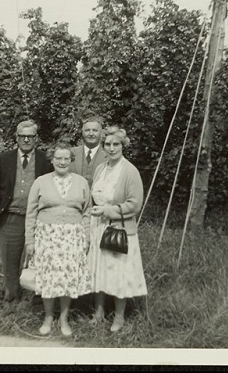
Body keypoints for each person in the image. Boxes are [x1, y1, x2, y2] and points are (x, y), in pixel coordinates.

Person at [25, 142, 92, 336]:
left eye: (66, 158)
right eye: (58, 158)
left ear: (71, 161)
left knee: (67, 277)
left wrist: (86, 237)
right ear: (52, 160)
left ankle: (63, 318)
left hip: (73, 236)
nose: (62, 162)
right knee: (48, 277)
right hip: (47, 236)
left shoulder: (81, 182)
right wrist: (30, 240)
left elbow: (86, 212)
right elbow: (31, 213)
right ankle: (48, 316)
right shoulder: (40, 181)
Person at [88, 126, 147, 332]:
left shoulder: (130, 171)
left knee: (118, 273)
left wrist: (108, 210)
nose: (111, 148)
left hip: (118, 229)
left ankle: (119, 317)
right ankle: (98, 312)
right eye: (108, 144)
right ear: (103, 146)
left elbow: (134, 204)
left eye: (116, 144)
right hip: (98, 227)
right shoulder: (100, 169)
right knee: (99, 269)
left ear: (123, 145)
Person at [0, 119, 53, 303]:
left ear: (36, 138)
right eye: (22, 136)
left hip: (37, 218)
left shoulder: (44, 160)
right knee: (10, 259)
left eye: (30, 136)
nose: (26, 140)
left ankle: (38, 299)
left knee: (39, 256)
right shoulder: (4, 158)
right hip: (11, 217)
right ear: (16, 138)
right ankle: (12, 297)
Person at [69, 116, 108, 189]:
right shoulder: (71, 153)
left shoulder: (108, 156)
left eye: (95, 130)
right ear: (82, 132)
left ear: (101, 132)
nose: (91, 133)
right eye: (87, 130)